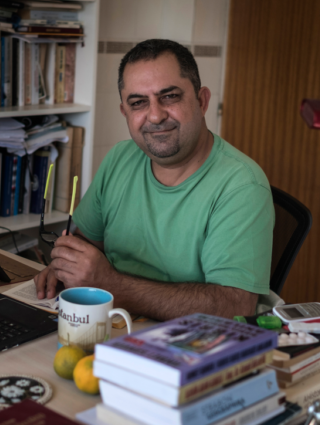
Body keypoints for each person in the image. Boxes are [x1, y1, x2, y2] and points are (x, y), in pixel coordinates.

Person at [34, 39, 274, 321]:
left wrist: (112, 285)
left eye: (170, 97)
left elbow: (234, 307)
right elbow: (87, 244)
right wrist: (67, 267)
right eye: (138, 103)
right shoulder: (119, 158)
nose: (156, 116)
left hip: (185, 341)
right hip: (108, 324)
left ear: (202, 101)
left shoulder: (242, 186)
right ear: (125, 112)